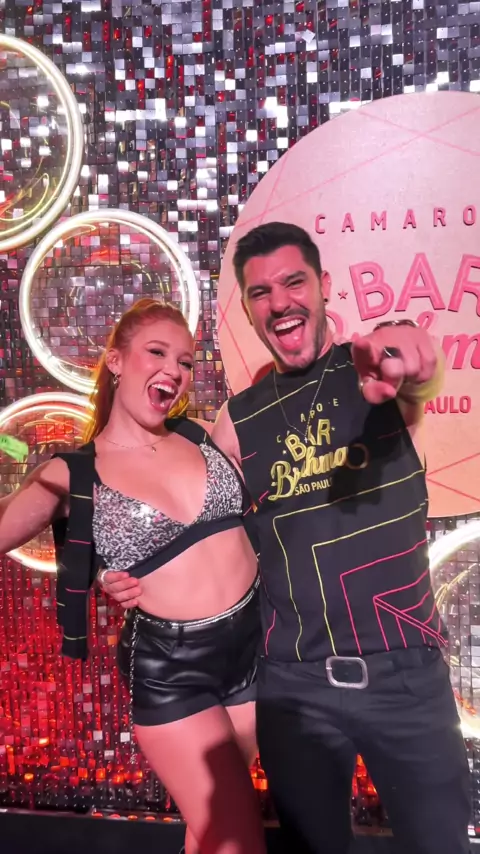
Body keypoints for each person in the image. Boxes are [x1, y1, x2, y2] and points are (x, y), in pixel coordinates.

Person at [104, 223, 471, 854]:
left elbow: (415, 364)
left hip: (406, 679)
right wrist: (126, 569)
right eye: (260, 292)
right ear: (248, 310)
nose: (279, 302)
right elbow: (190, 517)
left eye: (294, 282)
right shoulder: (239, 418)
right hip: (294, 687)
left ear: (324, 286)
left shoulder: (368, 372)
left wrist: (408, 356)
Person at [0, 298, 267, 854]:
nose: (174, 369)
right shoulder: (73, 472)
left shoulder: (200, 434)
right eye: (157, 352)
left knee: (212, 829)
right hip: (176, 669)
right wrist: (99, 568)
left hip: (254, 645)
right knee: (237, 839)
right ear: (116, 361)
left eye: (185, 361)